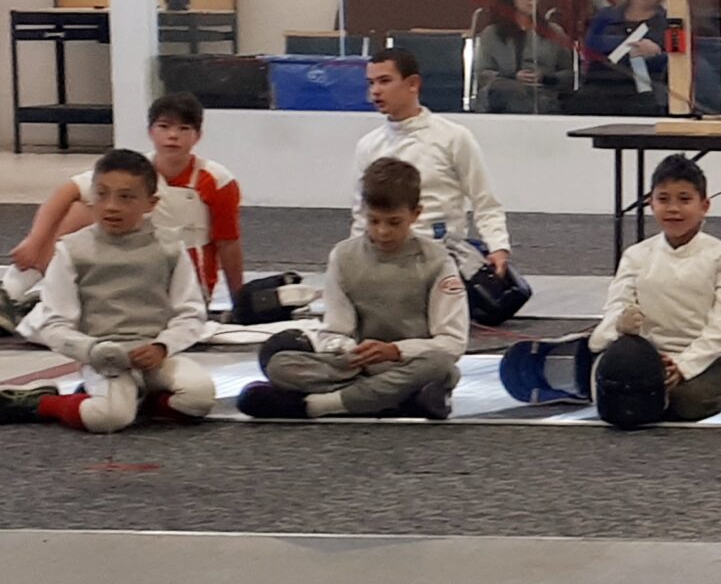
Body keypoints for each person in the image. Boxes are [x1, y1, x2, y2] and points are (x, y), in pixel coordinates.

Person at [235, 159, 465, 422]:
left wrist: (394, 351)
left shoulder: (437, 260)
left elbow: (451, 343)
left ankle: (316, 406)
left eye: (394, 222)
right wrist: (349, 351)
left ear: (416, 214)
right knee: (279, 364)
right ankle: (396, 401)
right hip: (355, 367)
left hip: (410, 364)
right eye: (374, 220)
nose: (383, 232)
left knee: (442, 367)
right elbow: (335, 330)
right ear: (363, 212)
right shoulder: (344, 256)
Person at [10, 149, 214, 433]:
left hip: (154, 356)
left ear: (150, 203)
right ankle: (44, 401)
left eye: (126, 197)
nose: (111, 206)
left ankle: (139, 399)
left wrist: (162, 346)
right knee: (108, 419)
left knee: (199, 397)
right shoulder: (72, 250)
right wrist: (92, 350)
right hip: (103, 359)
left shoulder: (169, 248)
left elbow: (190, 313)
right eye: (102, 194)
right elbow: (54, 323)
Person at [4, 92, 244, 319]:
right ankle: (10, 292)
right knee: (79, 210)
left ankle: (47, 307)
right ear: (150, 132)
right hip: (130, 269)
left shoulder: (218, 181)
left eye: (184, 128)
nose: (173, 136)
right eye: (164, 126)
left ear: (197, 136)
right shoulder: (134, 169)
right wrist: (34, 241)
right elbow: (67, 191)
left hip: (184, 288)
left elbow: (228, 244)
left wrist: (240, 304)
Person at [578, 158, 721, 430]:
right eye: (664, 199)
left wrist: (683, 367)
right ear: (651, 203)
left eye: (684, 199)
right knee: (612, 387)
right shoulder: (636, 256)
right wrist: (620, 327)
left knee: (687, 402)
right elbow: (612, 315)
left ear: (704, 206)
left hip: (706, 358)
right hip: (645, 357)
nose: (673, 209)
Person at [352, 48, 517, 303]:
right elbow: (361, 215)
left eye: (385, 81)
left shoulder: (453, 137)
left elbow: (484, 200)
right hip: (385, 257)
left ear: (413, 84)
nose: (375, 91)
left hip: (440, 259)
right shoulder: (368, 146)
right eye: (371, 83)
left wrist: (498, 247)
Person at [583, 0, 674, 109]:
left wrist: (656, 52)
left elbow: (678, 59)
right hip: (602, 88)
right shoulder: (606, 15)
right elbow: (591, 44)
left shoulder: (669, 20)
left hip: (648, 93)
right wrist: (627, 44)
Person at [475, 0, 571, 114]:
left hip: (543, 95)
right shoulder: (491, 34)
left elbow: (569, 74)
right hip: (501, 95)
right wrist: (513, 76)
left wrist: (545, 78)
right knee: (510, 90)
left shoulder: (554, 32)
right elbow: (483, 74)